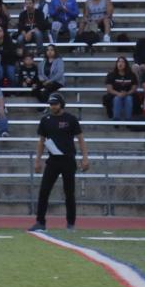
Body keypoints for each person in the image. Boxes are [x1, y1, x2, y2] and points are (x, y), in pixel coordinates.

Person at [31, 93, 89, 231]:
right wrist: (37, 160)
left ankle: (70, 223)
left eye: (55, 104)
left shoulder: (71, 119)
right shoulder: (45, 120)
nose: (52, 106)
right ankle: (40, 222)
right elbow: (41, 141)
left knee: (69, 193)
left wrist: (85, 157)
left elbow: (80, 138)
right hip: (53, 160)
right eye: (51, 104)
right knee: (44, 191)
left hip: (68, 160)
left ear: (61, 104)